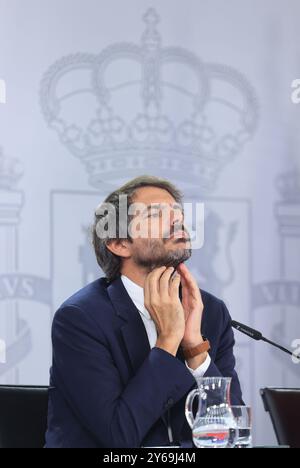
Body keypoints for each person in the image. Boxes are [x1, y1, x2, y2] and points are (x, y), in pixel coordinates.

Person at [45, 175, 243, 448]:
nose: (177, 220)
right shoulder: (80, 319)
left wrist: (195, 348)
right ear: (119, 244)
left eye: (178, 212)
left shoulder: (211, 312)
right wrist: (168, 341)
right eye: (156, 214)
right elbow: (118, 437)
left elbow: (230, 436)